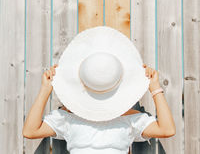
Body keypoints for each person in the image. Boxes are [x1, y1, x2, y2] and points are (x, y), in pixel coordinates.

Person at [22, 26, 176, 154]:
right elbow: (30, 132)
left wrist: (156, 88)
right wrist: (44, 90)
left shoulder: (129, 119)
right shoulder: (68, 118)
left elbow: (167, 130)